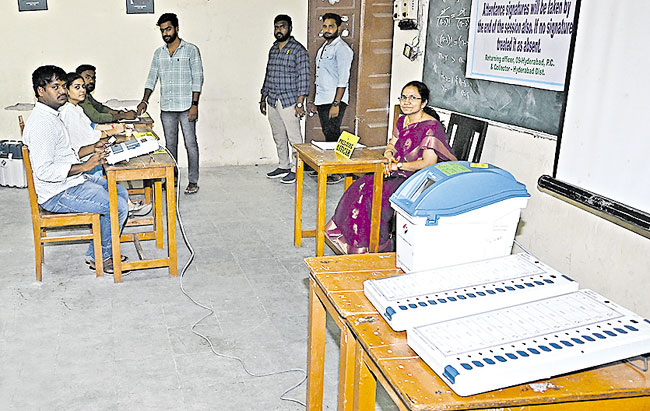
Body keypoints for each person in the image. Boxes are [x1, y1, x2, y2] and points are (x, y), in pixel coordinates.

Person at [325, 81, 457, 253]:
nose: (407, 102)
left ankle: (374, 246)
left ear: (423, 102)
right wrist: (388, 156)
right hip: (395, 170)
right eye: (403, 98)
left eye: (413, 98)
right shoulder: (403, 120)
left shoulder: (432, 127)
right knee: (359, 186)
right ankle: (353, 241)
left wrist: (398, 166)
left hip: (417, 177)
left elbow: (428, 163)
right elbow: (392, 145)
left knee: (373, 196)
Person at [23, 65, 130, 273]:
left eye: (63, 86)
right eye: (55, 87)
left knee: (120, 191)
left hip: (70, 182)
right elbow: (44, 171)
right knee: (116, 205)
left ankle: (96, 252)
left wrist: (92, 148)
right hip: (56, 192)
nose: (62, 91)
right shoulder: (42, 124)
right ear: (40, 91)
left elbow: (64, 154)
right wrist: (85, 166)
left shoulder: (53, 115)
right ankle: (104, 257)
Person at [60, 72, 152, 216]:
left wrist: (113, 127)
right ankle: (122, 207)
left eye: (83, 87)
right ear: (66, 89)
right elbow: (90, 137)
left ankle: (127, 205)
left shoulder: (76, 108)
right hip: (81, 157)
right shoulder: (69, 111)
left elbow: (92, 126)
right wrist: (113, 131)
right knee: (114, 161)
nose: (82, 90)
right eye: (77, 87)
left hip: (87, 150)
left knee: (116, 151)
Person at [136, 12, 204, 195]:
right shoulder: (159, 53)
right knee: (169, 145)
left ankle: (192, 180)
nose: (166, 33)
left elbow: (198, 79)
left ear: (176, 28)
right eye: (162, 30)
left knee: (191, 144)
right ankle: (171, 178)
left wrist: (194, 104)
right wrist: (144, 100)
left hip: (187, 107)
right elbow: (151, 78)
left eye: (168, 29)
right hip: (167, 108)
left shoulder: (191, 50)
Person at [260, 14, 310, 185]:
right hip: (273, 99)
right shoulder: (274, 49)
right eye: (276, 27)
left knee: (294, 137)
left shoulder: (299, 50)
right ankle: (283, 166)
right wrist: (263, 97)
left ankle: (298, 169)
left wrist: (300, 102)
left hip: (290, 101)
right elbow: (269, 73)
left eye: (282, 26)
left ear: (290, 28)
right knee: (278, 135)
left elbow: (304, 77)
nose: (279, 30)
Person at [308, 12, 354, 184]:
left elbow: (343, 78)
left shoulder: (342, 49)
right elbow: (319, 76)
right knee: (329, 133)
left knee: (333, 133)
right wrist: (314, 101)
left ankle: (341, 170)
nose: (327, 30)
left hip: (334, 99)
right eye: (325, 26)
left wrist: (336, 103)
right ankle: (332, 166)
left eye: (331, 26)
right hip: (323, 98)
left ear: (339, 28)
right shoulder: (324, 48)